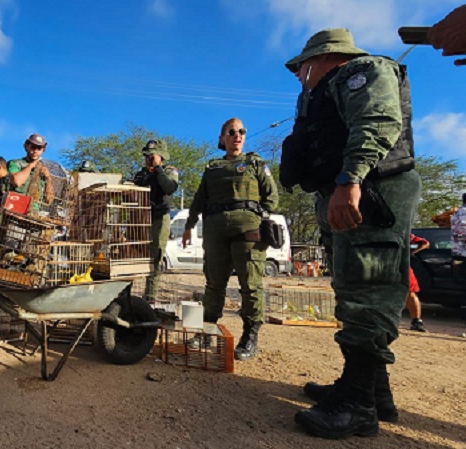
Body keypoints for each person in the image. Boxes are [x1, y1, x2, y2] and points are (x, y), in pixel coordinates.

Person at [281, 28, 422, 439]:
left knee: (369, 291)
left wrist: (350, 179)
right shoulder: (329, 88)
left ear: (323, 57)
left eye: (301, 66)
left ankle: (358, 405)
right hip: (352, 194)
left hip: (370, 194)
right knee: (356, 290)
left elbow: (378, 121)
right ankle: (373, 392)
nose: (298, 74)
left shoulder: (364, 71)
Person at [182, 121, 277, 361]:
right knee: (214, 283)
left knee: (250, 283)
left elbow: (271, 196)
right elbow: (199, 199)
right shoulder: (213, 167)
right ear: (222, 138)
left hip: (248, 232)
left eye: (242, 131)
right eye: (231, 132)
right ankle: (207, 330)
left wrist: (262, 220)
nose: (238, 135)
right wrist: (188, 226)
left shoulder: (256, 163)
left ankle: (250, 335)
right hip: (215, 231)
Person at [133, 140, 179, 304]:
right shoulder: (141, 173)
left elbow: (170, 187)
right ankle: (126, 295)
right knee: (132, 254)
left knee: (156, 255)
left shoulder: (169, 171)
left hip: (160, 217)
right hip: (141, 218)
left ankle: (150, 297)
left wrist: (158, 169)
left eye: (152, 156)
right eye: (146, 156)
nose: (148, 159)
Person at [8, 134, 54, 203]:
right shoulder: (15, 163)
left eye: (39, 148)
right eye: (33, 147)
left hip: (33, 210)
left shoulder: (43, 170)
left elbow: (49, 200)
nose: (35, 151)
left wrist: (48, 178)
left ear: (43, 150)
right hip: (16, 204)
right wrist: (31, 165)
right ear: (26, 146)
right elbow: (16, 182)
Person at [407, 233, 430, 332]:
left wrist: (411, 252)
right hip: (375, 265)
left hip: (401, 266)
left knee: (410, 293)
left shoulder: (403, 232)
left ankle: (416, 321)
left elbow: (424, 243)